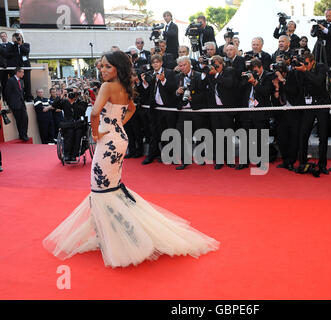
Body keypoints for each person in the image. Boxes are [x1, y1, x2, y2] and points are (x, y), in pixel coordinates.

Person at [42, 50, 219, 268]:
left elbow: (95, 112)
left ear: (117, 68)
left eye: (108, 66)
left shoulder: (107, 87)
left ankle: (123, 237)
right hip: (119, 138)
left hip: (108, 141)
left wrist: (97, 133)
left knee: (100, 190)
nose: (103, 69)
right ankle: (116, 234)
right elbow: (131, 109)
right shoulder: (124, 87)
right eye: (102, 66)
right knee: (112, 188)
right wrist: (117, 126)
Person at [296, 52, 331, 175]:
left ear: (312, 62)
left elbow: (318, 81)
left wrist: (305, 71)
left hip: (322, 104)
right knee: (303, 133)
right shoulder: (302, 69)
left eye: (307, 64)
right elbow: (299, 85)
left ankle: (322, 165)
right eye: (303, 64)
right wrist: (299, 70)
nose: (305, 66)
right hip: (309, 105)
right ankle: (302, 162)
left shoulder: (321, 67)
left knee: (323, 136)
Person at [140, 54, 178, 165]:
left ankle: (170, 155)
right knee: (154, 133)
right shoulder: (149, 74)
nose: (155, 64)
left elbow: (173, 89)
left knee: (169, 132)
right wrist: (145, 83)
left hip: (168, 108)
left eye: (157, 62)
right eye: (153, 63)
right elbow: (146, 92)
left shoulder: (169, 72)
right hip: (155, 108)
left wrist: (163, 80)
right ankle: (151, 155)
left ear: (161, 63)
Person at [175, 56, 208, 170]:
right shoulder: (177, 77)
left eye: (184, 65)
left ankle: (200, 157)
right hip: (184, 111)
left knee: (199, 135)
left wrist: (192, 98)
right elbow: (173, 95)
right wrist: (177, 92)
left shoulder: (199, 76)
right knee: (183, 136)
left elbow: (204, 93)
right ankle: (185, 161)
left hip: (197, 110)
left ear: (189, 65)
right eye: (180, 65)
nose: (182, 67)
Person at [205, 55, 237, 169]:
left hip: (226, 108)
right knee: (217, 135)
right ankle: (219, 160)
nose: (215, 65)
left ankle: (229, 159)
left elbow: (229, 83)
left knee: (228, 134)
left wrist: (217, 74)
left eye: (216, 63)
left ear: (221, 63)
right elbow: (204, 85)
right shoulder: (210, 73)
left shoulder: (229, 71)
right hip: (214, 109)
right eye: (213, 63)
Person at [5, 67, 28, 141]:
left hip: (22, 104)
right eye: (22, 72)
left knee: (25, 119)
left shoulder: (21, 81)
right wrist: (9, 104)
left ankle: (24, 134)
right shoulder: (10, 80)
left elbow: (21, 93)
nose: (23, 74)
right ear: (18, 72)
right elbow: (7, 93)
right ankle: (22, 135)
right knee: (19, 120)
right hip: (15, 104)